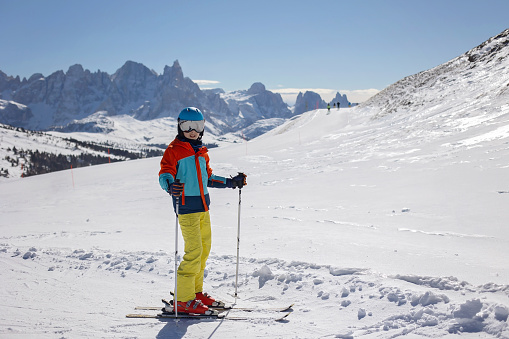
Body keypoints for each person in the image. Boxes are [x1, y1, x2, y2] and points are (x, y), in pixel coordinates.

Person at [158, 107, 247, 315]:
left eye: (197, 126)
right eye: (187, 126)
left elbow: (208, 178)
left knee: (204, 250)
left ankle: (195, 293)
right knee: (194, 252)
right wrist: (170, 186)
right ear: (180, 126)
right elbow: (165, 173)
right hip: (186, 208)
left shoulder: (201, 152)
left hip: (203, 208)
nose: (192, 131)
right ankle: (182, 299)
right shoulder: (174, 150)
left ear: (203, 128)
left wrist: (231, 183)